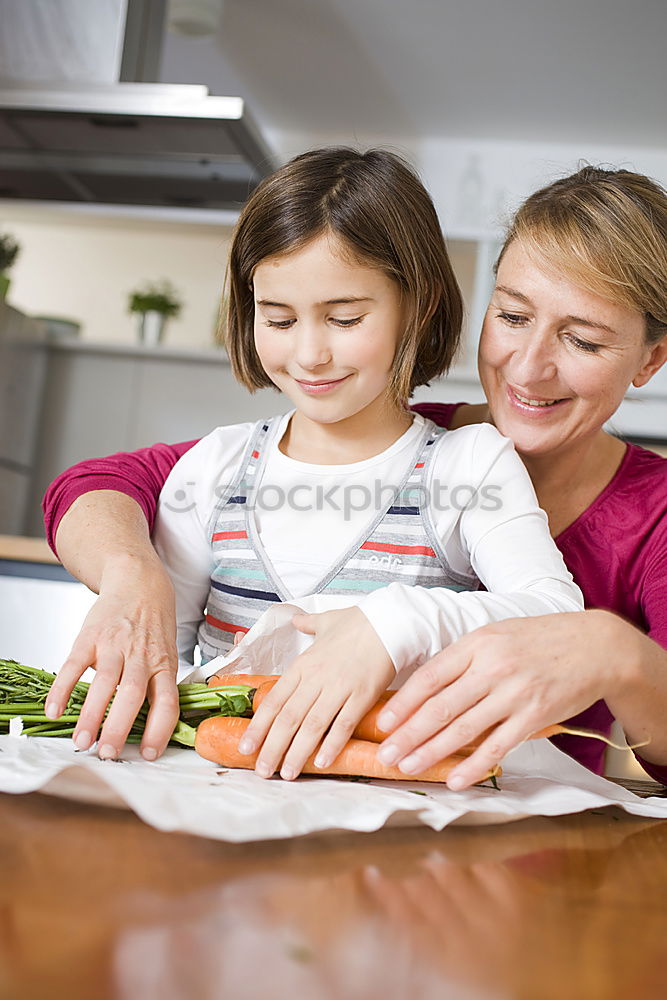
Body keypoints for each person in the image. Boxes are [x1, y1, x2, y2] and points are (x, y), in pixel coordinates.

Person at [43, 161, 667, 789]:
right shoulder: (234, 459)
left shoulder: (474, 465)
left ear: (650, 359)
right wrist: (131, 575)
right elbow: (104, 484)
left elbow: (549, 614)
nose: (529, 369)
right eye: (510, 316)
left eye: (583, 341)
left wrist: (605, 648)